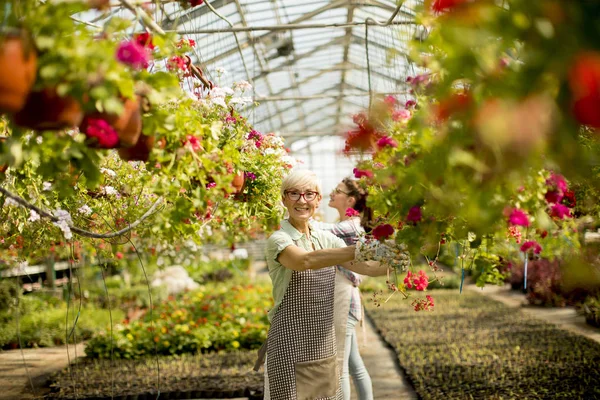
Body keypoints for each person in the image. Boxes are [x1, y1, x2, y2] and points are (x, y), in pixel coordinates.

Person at [259, 169, 398, 400]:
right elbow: (305, 261)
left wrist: (401, 257)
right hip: (288, 342)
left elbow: (367, 268)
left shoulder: (325, 238)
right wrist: (363, 249)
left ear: (318, 200)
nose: (302, 201)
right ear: (283, 198)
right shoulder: (279, 240)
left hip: (322, 342)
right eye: (294, 194)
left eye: (309, 194)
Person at [311, 178, 373, 400]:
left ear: (350, 200)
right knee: (354, 364)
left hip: (345, 302)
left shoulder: (350, 225)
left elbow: (319, 230)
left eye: (337, 191)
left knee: (340, 367)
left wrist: (299, 212)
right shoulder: (350, 224)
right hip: (347, 301)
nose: (332, 194)